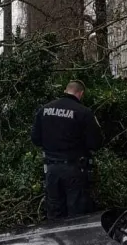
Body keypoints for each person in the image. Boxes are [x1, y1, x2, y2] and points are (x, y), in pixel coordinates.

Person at [31, 79, 103, 219]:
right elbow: (95, 143)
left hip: (51, 169)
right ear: (81, 93)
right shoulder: (84, 112)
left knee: (54, 212)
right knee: (76, 214)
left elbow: (35, 139)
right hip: (74, 170)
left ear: (65, 90)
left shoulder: (44, 109)